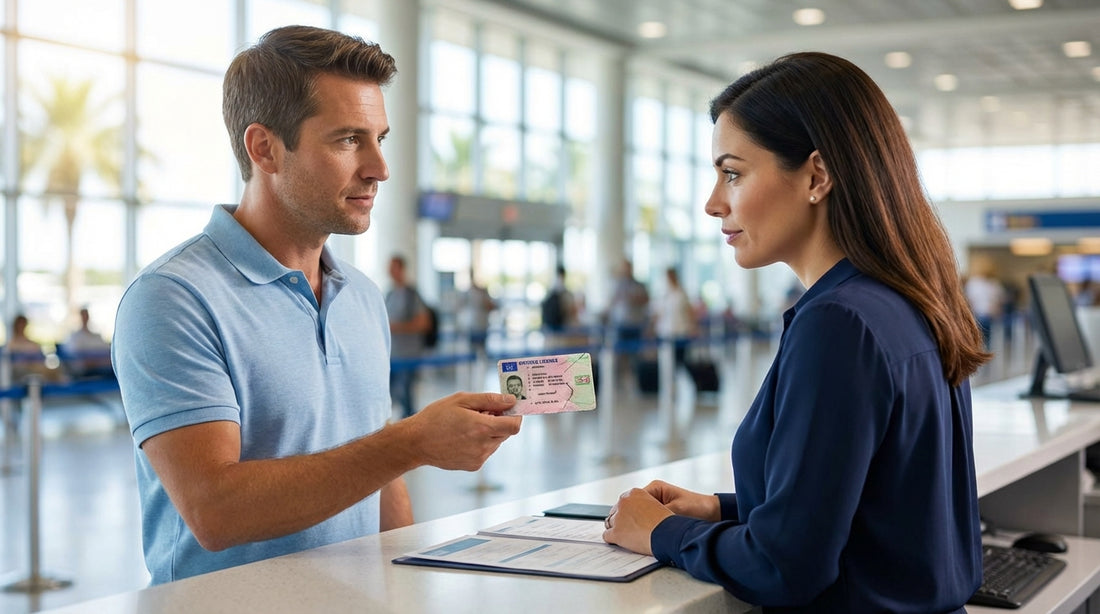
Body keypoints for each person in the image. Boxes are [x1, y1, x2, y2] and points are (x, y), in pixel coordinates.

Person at [111, 25, 522, 585]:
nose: (379, 167)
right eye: (348, 139)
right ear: (265, 148)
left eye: (380, 137)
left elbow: (379, 474)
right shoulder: (173, 299)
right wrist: (412, 441)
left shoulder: (362, 297)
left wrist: (400, 590)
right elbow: (215, 509)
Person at [602, 52, 988, 613]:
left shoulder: (840, 323)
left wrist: (661, 534)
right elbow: (868, 504)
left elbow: (785, 567)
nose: (714, 203)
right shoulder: (906, 301)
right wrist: (721, 510)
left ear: (816, 176)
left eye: (732, 172)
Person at [386, 254, 429, 418]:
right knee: (392, 397)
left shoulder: (412, 295)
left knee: (406, 399)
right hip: (392, 356)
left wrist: (396, 327)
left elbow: (423, 323)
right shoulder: (389, 293)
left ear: (402, 269)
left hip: (408, 356)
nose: (390, 271)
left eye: (393, 267)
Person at [651, 267, 696, 366]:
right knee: (666, 361)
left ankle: (677, 380)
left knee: (680, 360)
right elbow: (658, 313)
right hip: (665, 331)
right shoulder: (663, 293)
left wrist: (692, 326)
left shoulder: (681, 293)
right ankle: (669, 381)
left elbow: (689, 311)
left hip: (681, 330)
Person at [965, 258, 1005, 351]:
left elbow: (970, 301)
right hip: (988, 316)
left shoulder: (973, 282)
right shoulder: (993, 283)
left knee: (979, 340)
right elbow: (999, 301)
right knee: (988, 341)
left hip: (978, 316)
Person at [62, 307, 113, 378]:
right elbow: (73, 356)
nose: (85, 318)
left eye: (86, 315)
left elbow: (108, 351)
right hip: (83, 371)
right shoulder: (74, 337)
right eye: (83, 316)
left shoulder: (96, 336)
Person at [457, 278, 496, 352]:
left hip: (482, 327)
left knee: (481, 350)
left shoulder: (483, 293)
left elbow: (492, 307)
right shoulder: (468, 293)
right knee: (472, 350)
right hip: (473, 327)